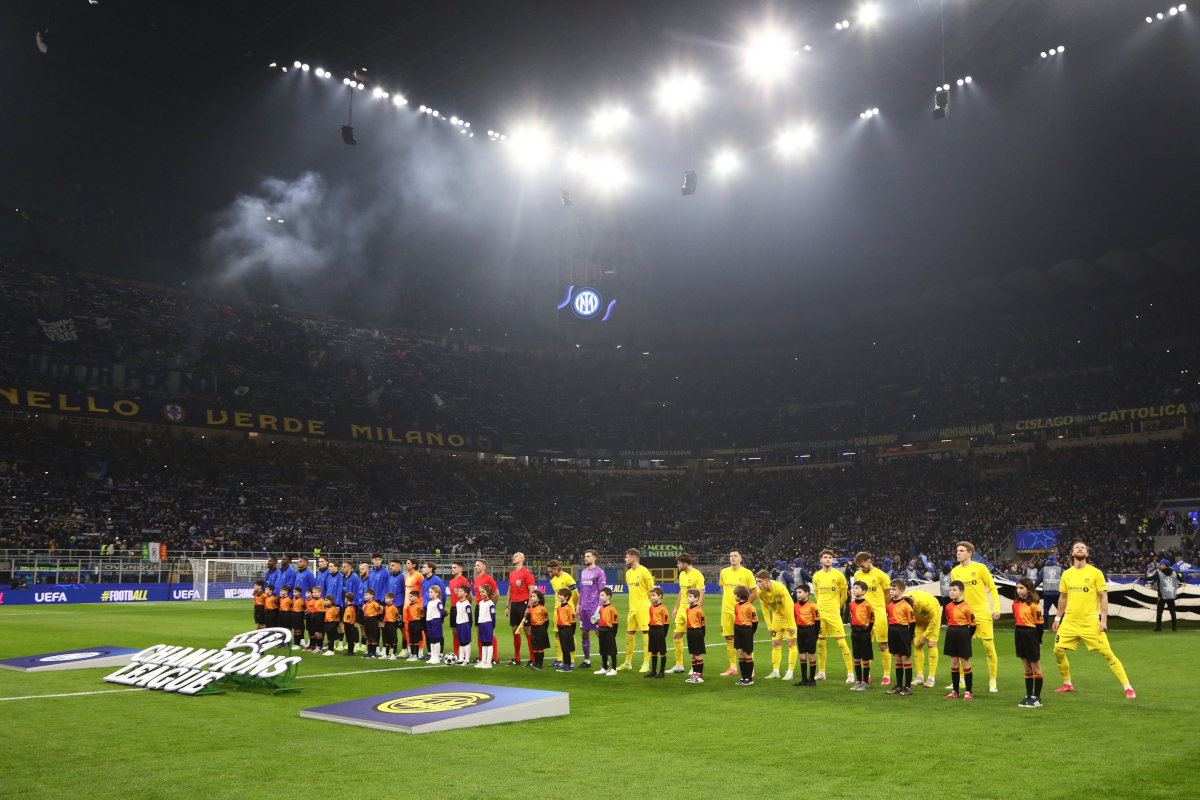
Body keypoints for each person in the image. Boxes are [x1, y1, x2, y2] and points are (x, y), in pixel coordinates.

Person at [1052, 541, 1135, 699]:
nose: (1080, 549)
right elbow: (1063, 597)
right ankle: (1067, 684)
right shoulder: (1066, 574)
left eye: (1083, 547)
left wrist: (1103, 620)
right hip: (1069, 622)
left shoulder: (1096, 573)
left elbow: (1103, 597)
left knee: (1107, 653)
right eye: (1077, 547)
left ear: (1087, 554)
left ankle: (1128, 687)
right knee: (1058, 651)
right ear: (1072, 553)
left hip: (1090, 622)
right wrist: (1057, 618)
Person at [950, 542, 1001, 692]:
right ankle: (960, 680)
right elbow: (955, 594)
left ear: (969, 553)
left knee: (988, 646)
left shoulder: (980, 568)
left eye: (961, 551)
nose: (958, 553)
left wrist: (996, 608)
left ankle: (992, 680)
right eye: (957, 550)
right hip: (963, 614)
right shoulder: (955, 571)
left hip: (981, 612)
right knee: (961, 648)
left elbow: (992, 587)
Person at [813, 548, 856, 683]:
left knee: (842, 642)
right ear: (821, 560)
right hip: (821, 614)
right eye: (825, 557)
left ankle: (850, 673)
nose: (827, 559)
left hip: (833, 614)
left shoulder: (838, 575)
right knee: (820, 643)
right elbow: (817, 594)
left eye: (830, 558)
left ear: (833, 560)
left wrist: (836, 607)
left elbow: (844, 596)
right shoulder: (817, 576)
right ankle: (821, 672)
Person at [852, 552, 893, 685]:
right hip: (862, 615)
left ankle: (886, 675)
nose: (861, 568)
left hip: (878, 614)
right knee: (864, 645)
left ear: (869, 561)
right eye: (859, 566)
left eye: (863, 565)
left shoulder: (881, 575)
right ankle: (866, 674)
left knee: (882, 645)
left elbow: (888, 594)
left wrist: (882, 607)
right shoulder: (858, 574)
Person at [719, 549, 758, 677]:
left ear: (741, 558)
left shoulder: (747, 573)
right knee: (729, 638)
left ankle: (750, 667)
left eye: (735, 556)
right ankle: (733, 667)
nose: (733, 558)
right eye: (731, 556)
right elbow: (724, 589)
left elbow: (754, 592)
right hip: (726, 611)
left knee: (746, 640)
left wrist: (745, 606)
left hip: (741, 613)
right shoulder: (724, 572)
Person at [755, 570, 797, 681]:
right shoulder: (760, 592)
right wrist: (770, 626)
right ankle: (775, 671)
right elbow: (765, 610)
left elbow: (788, 607)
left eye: (759, 581)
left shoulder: (780, 588)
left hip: (789, 617)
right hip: (777, 618)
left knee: (791, 643)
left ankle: (790, 672)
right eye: (757, 581)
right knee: (775, 643)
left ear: (767, 580)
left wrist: (789, 625)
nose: (757, 584)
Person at [619, 548, 656, 672]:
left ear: (633, 558)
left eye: (627, 557)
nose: (625, 559)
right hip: (632, 609)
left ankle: (646, 664)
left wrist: (651, 607)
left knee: (646, 634)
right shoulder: (628, 573)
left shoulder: (644, 572)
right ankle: (627, 663)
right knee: (629, 634)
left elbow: (652, 591)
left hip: (643, 608)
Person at [1012, 577, 1045, 708]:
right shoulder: (1015, 604)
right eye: (1017, 588)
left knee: (1036, 667)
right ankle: (1029, 695)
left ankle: (1037, 697)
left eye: (1022, 588)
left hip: (1031, 634)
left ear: (1029, 589)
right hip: (1019, 634)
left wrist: (1038, 640)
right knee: (1027, 667)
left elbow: (1040, 625)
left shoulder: (1034, 606)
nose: (1019, 591)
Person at [944, 580, 976, 700]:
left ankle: (968, 691)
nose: (951, 592)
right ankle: (955, 691)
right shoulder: (947, 607)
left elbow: (973, 625)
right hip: (951, 633)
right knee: (954, 663)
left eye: (954, 590)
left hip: (963, 633)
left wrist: (967, 636)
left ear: (961, 592)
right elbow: (948, 620)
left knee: (965, 663)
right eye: (950, 589)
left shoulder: (967, 607)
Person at [906, 586, 942, 688]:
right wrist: (910, 635)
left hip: (933, 618)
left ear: (914, 605)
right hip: (918, 621)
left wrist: (925, 636)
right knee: (917, 644)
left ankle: (931, 678)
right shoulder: (903, 602)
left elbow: (934, 620)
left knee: (931, 644)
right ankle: (920, 677)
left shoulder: (926, 603)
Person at [884, 579, 915, 695]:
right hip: (892, 631)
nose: (891, 591)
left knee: (905, 658)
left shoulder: (906, 605)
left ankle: (907, 687)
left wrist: (911, 637)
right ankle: (898, 685)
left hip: (903, 631)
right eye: (890, 589)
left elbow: (912, 623)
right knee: (897, 659)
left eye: (894, 589)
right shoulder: (889, 605)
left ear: (901, 591)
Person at [505, 552, 536, 666]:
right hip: (514, 604)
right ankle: (517, 658)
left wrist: (529, 606)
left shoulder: (526, 573)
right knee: (514, 630)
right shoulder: (512, 573)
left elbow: (531, 590)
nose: (513, 557)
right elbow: (509, 590)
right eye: (513, 556)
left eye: (516, 556)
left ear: (522, 559)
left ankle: (532, 659)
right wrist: (507, 606)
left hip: (524, 604)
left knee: (527, 630)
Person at [578, 550, 607, 669]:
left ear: (594, 558)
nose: (585, 558)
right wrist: (578, 605)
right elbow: (582, 590)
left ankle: (606, 663)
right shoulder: (583, 572)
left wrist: (600, 608)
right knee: (584, 633)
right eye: (585, 556)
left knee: (600, 633)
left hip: (595, 607)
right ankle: (587, 660)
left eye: (588, 556)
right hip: (584, 607)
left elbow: (603, 592)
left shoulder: (599, 572)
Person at [548, 560, 579, 668]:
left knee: (569, 634)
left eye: (551, 571)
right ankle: (559, 659)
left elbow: (576, 595)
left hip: (567, 611)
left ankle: (571, 660)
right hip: (557, 611)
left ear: (557, 568)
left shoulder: (567, 578)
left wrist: (574, 608)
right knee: (557, 634)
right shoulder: (553, 581)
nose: (550, 574)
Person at [848, 581, 875, 691]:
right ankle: (858, 681)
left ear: (863, 591)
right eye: (853, 588)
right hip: (854, 633)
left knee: (865, 658)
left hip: (864, 633)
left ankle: (865, 682)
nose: (854, 590)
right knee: (856, 657)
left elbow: (872, 619)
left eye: (857, 588)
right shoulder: (851, 604)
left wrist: (867, 630)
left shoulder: (867, 604)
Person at [791, 584, 820, 687]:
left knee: (811, 655)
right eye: (797, 592)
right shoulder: (795, 606)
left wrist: (815, 635)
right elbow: (795, 619)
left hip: (810, 630)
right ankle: (804, 679)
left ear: (807, 593)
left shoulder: (812, 605)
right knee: (802, 655)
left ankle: (812, 680)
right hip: (801, 631)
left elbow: (817, 622)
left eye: (800, 592)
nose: (797, 594)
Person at [733, 585, 759, 686]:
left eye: (735, 594)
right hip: (737, 630)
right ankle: (743, 677)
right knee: (740, 654)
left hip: (746, 630)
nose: (734, 596)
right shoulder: (736, 606)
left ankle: (749, 678)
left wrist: (751, 633)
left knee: (747, 654)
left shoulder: (750, 607)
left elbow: (755, 622)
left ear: (740, 595)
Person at [1145, 559, 1180, 632]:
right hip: (1171, 595)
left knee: (1159, 612)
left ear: (1164, 565)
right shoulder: (1174, 573)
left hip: (1162, 595)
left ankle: (1158, 628)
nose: (1160, 565)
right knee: (1173, 613)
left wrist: (1141, 578)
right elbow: (1181, 580)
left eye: (1161, 564)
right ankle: (1174, 628)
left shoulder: (1159, 573)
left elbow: (1150, 578)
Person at [447, 562, 472, 662]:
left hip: (461, 608)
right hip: (453, 607)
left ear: (460, 569)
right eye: (452, 567)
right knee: (454, 631)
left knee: (461, 631)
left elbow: (469, 596)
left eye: (454, 567)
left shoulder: (464, 580)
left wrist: (465, 607)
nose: (452, 569)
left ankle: (464, 655)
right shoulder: (451, 581)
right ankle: (456, 653)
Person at [645, 587, 670, 679]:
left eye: (654, 595)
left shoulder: (663, 608)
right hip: (652, 629)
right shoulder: (651, 607)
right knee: (653, 651)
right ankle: (653, 671)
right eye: (651, 595)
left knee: (662, 651)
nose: (652, 597)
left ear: (660, 596)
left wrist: (664, 633)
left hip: (659, 630)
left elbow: (666, 622)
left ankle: (661, 672)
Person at [684, 588, 707, 684]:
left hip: (697, 632)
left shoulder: (699, 610)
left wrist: (701, 635)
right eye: (687, 597)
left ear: (696, 598)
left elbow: (702, 624)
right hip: (689, 632)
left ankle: (699, 675)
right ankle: (695, 674)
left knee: (698, 655)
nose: (688, 598)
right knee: (692, 655)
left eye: (690, 597)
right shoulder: (688, 609)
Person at [595, 587, 620, 676]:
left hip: (609, 631)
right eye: (600, 595)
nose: (600, 597)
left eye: (602, 595)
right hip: (601, 630)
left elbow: (615, 622)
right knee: (603, 650)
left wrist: (613, 633)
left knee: (612, 650)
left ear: (608, 596)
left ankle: (614, 669)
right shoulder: (601, 608)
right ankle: (605, 668)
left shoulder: (612, 609)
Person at [525, 589, 550, 670]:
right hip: (533, 628)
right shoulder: (531, 608)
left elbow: (547, 620)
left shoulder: (542, 608)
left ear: (539, 599)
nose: (532, 598)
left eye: (534, 596)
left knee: (540, 647)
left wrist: (543, 629)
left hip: (540, 628)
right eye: (531, 596)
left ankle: (540, 664)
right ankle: (536, 663)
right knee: (534, 646)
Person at [555, 587, 578, 673]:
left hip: (567, 629)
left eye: (561, 595)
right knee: (563, 648)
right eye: (559, 594)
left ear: (566, 597)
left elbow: (573, 622)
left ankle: (567, 666)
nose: (559, 596)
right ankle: (566, 665)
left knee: (566, 648)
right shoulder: (559, 608)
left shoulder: (569, 608)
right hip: (561, 629)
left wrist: (571, 632)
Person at [474, 584, 496, 669]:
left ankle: (489, 662)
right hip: (482, 623)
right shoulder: (481, 603)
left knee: (488, 643)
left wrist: (492, 626)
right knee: (483, 642)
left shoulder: (490, 603)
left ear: (488, 592)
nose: (481, 594)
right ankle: (483, 661)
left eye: (483, 592)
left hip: (488, 623)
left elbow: (493, 615)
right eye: (480, 592)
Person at [1037, 555, 1063, 626]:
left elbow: (1038, 580)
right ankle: (1063, 625)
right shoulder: (1060, 569)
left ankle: (1046, 627)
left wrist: (1032, 587)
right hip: (1057, 593)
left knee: (1046, 610)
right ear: (1055, 561)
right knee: (1060, 610)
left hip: (1047, 593)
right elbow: (1067, 578)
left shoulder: (1044, 569)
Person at [426, 585, 446, 664]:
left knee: (436, 639)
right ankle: (433, 656)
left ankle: (437, 657)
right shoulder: (430, 602)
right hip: (429, 621)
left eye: (431, 592)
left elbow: (442, 612)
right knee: (431, 640)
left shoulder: (438, 602)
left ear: (437, 593)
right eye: (429, 592)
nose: (429, 594)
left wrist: (440, 620)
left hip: (435, 621)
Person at [453, 585, 473, 666]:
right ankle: (461, 658)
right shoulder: (458, 603)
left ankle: (467, 659)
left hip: (465, 624)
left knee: (466, 642)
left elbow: (470, 616)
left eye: (461, 591)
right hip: (459, 624)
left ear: (466, 594)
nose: (458, 592)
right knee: (461, 642)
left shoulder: (467, 604)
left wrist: (469, 625)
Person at [362, 589, 383, 659]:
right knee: (368, 635)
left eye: (367, 594)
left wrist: (377, 619)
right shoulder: (367, 603)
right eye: (365, 594)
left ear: (372, 595)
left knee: (373, 636)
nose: (365, 596)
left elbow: (380, 611)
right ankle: (369, 652)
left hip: (372, 620)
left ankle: (373, 653)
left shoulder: (374, 603)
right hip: (367, 619)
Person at [404, 590, 424, 660]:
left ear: (416, 597)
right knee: (411, 639)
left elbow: (422, 615)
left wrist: (421, 624)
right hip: (410, 623)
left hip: (416, 623)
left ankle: (416, 655)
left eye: (411, 596)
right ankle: (412, 654)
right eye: (409, 596)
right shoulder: (408, 606)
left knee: (416, 639)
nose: (409, 598)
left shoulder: (418, 606)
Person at [306, 586, 325, 652]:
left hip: (319, 616)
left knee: (319, 632)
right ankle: (316, 646)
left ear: (320, 593)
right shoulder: (313, 600)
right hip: (314, 616)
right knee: (316, 633)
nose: (313, 594)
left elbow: (323, 610)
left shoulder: (322, 600)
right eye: (313, 592)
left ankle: (320, 647)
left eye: (315, 592)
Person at [382, 592, 401, 659]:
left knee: (393, 639)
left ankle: (394, 654)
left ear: (392, 599)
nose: (386, 600)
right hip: (386, 624)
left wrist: (395, 624)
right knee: (386, 639)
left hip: (392, 624)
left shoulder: (394, 607)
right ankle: (387, 654)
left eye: (387, 598)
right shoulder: (386, 607)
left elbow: (397, 616)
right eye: (385, 598)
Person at [341, 592, 359, 657]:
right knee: (349, 639)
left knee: (350, 639)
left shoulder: (349, 608)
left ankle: (350, 652)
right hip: (351, 624)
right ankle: (350, 651)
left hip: (349, 625)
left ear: (347, 599)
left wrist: (346, 625)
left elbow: (348, 618)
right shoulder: (352, 607)